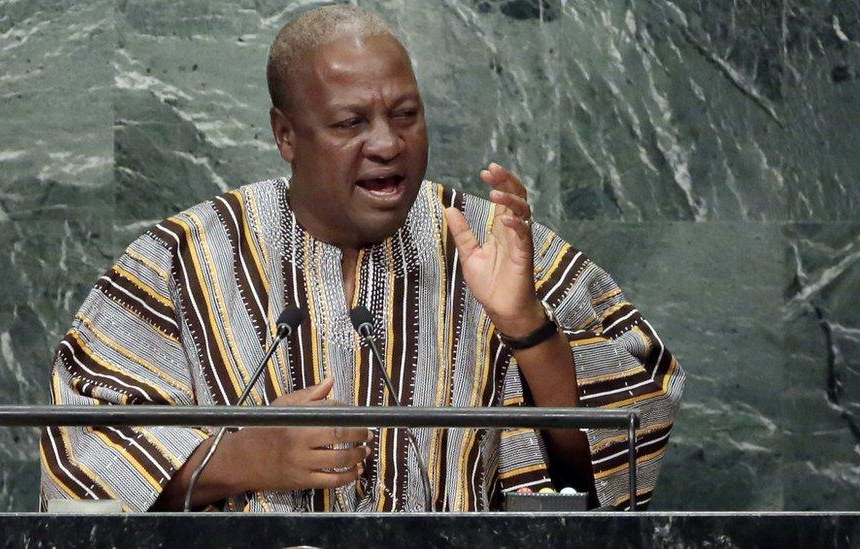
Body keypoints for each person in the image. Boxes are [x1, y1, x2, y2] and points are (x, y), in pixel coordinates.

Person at [40, 5, 683, 513]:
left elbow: (605, 468)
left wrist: (529, 329)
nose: (387, 143)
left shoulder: (493, 244)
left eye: (405, 115)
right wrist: (246, 458)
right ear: (286, 135)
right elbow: (84, 460)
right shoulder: (184, 256)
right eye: (351, 123)